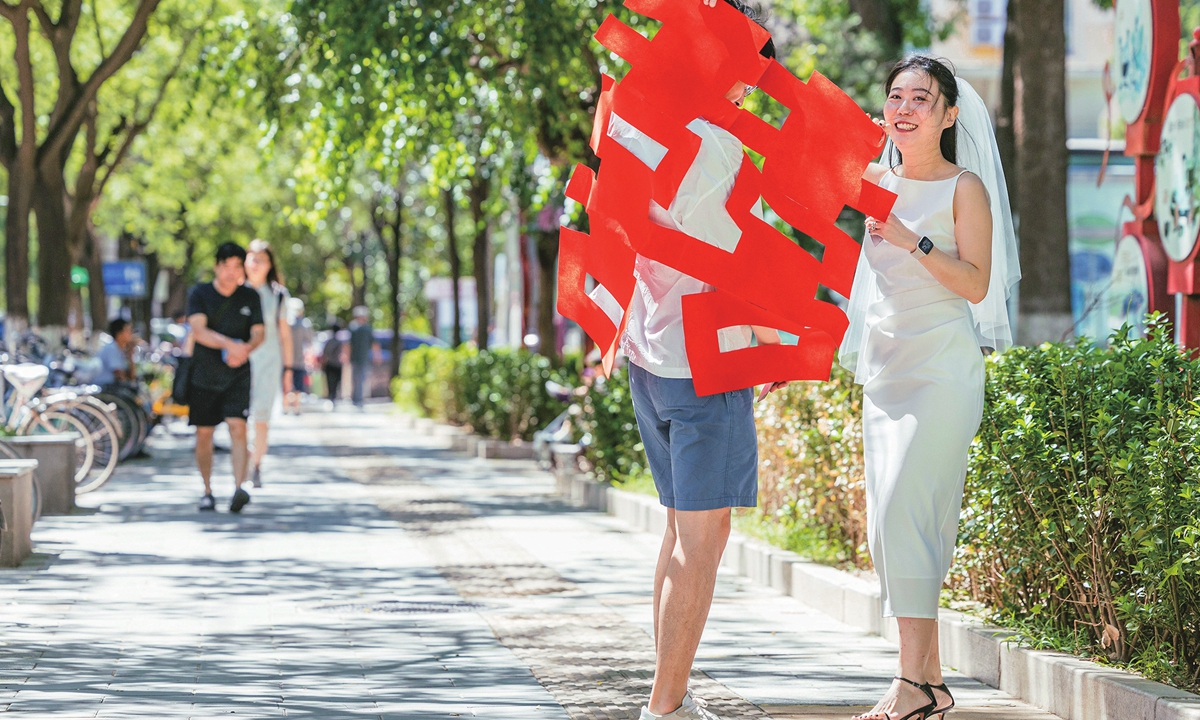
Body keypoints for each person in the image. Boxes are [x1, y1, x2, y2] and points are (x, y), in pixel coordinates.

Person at [839, 56, 1020, 720]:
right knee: (892, 527)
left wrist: (914, 241)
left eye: (922, 97)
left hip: (942, 366)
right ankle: (928, 683)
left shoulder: (963, 187)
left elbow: (976, 284)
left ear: (949, 114)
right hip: (885, 367)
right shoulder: (871, 180)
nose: (905, 107)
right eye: (895, 96)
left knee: (904, 504)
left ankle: (909, 684)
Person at [618, 3, 783, 718]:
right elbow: (738, 257)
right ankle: (663, 707)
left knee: (686, 530)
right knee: (700, 539)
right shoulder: (715, 147)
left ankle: (668, 699)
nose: (755, 84)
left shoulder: (640, 123)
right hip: (699, 359)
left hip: (648, 353)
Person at [186, 242, 265, 513]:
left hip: (238, 373)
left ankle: (238, 488)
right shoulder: (200, 293)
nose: (231, 272)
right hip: (204, 375)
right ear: (217, 266)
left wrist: (245, 349)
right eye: (226, 266)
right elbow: (198, 330)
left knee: (238, 427)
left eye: (236, 266)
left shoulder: (250, 297)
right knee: (204, 433)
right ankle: (207, 490)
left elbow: (258, 333)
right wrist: (230, 345)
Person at [244, 239, 294, 488]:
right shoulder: (235, 291)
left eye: (260, 259)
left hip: (269, 363)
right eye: (250, 257)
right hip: (240, 362)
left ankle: (256, 465)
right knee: (239, 419)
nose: (254, 263)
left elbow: (285, 336)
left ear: (269, 264)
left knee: (261, 417)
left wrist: (288, 371)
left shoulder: (278, 295)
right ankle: (241, 462)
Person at [347, 306, 381, 409]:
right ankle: (356, 399)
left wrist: (376, 355)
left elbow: (374, 344)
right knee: (357, 379)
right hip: (357, 358)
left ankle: (357, 399)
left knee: (359, 378)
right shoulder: (356, 328)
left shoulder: (363, 328)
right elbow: (349, 344)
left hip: (362, 358)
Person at [283, 297, 313, 415]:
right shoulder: (304, 325)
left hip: (285, 360)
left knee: (285, 385)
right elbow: (309, 343)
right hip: (299, 361)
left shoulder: (284, 323)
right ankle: (296, 408)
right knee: (297, 387)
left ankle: (285, 407)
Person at [94, 318, 135, 387]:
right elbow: (119, 375)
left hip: (113, 387)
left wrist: (131, 356)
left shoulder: (122, 350)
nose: (130, 333)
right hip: (105, 388)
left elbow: (132, 377)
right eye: (127, 330)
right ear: (119, 334)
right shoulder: (112, 348)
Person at [321, 322, 344, 404]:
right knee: (336, 382)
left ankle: (331, 396)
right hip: (337, 365)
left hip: (330, 364)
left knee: (330, 382)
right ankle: (333, 396)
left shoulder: (329, 341)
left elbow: (324, 353)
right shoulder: (340, 342)